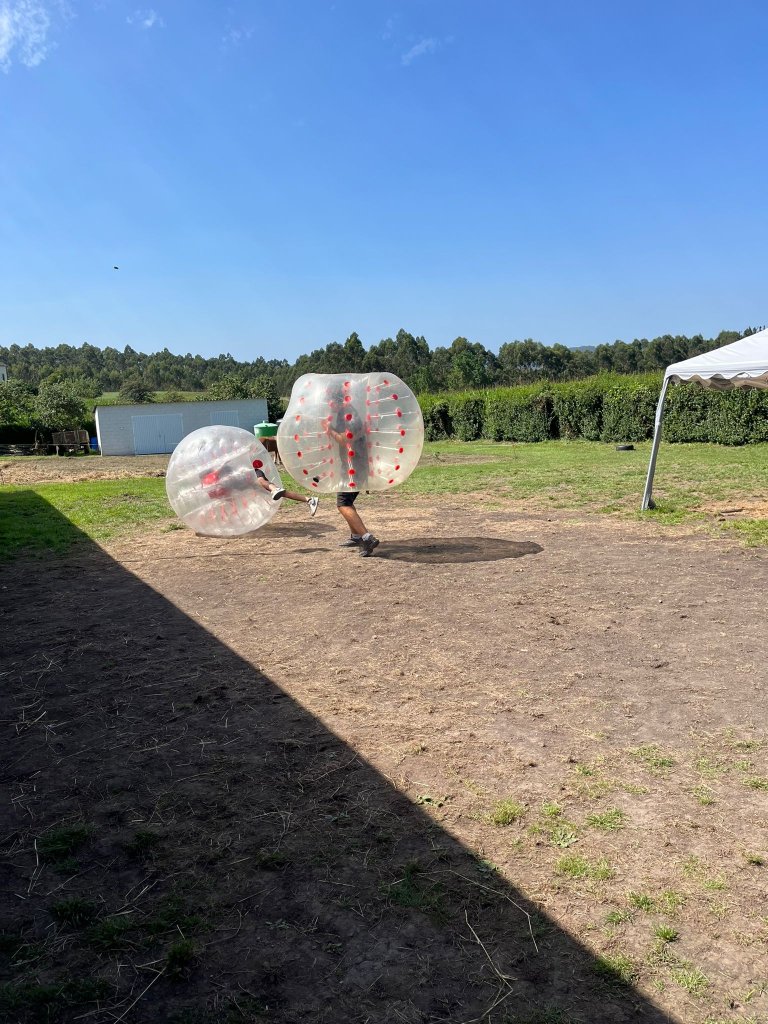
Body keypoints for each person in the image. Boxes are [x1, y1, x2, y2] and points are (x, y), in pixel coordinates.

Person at [324, 414, 379, 557]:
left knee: (343, 504)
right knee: (347, 501)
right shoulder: (348, 414)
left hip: (354, 468)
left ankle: (367, 538)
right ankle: (356, 536)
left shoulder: (349, 417)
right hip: (354, 466)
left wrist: (330, 430)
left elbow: (345, 440)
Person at [252, 459, 319, 517]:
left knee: (260, 481)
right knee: (283, 493)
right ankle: (310, 500)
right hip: (248, 482)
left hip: (252, 473)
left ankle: (275, 489)